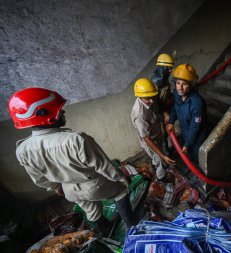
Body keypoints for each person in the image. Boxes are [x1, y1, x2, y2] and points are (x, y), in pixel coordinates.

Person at [8, 87, 136, 236]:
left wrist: (56, 187)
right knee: (121, 192)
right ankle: (132, 225)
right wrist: (121, 179)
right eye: (58, 110)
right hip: (94, 185)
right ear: (44, 115)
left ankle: (105, 231)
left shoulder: (22, 150)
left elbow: (39, 179)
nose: (63, 112)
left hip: (69, 191)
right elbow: (103, 165)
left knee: (91, 210)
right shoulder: (75, 139)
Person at [131, 78, 176, 181]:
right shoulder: (139, 115)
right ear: (139, 96)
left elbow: (158, 106)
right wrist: (162, 155)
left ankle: (155, 162)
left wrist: (165, 114)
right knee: (160, 160)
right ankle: (162, 177)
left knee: (158, 157)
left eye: (152, 97)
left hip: (157, 134)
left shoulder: (150, 98)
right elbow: (147, 139)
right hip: (150, 141)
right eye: (148, 99)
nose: (152, 101)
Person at [166, 64, 207, 166]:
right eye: (178, 83)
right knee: (188, 154)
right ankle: (192, 164)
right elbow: (175, 107)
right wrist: (171, 121)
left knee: (196, 154)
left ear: (191, 85)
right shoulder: (176, 94)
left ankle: (199, 170)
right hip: (185, 130)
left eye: (184, 84)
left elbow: (195, 126)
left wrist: (187, 144)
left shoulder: (197, 103)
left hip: (197, 135)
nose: (180, 87)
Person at [151, 53, 174, 154]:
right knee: (163, 134)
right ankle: (165, 154)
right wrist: (164, 114)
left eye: (170, 68)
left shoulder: (164, 79)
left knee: (167, 132)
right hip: (159, 113)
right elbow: (155, 103)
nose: (170, 71)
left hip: (166, 108)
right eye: (168, 68)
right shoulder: (155, 83)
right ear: (162, 68)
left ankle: (167, 149)